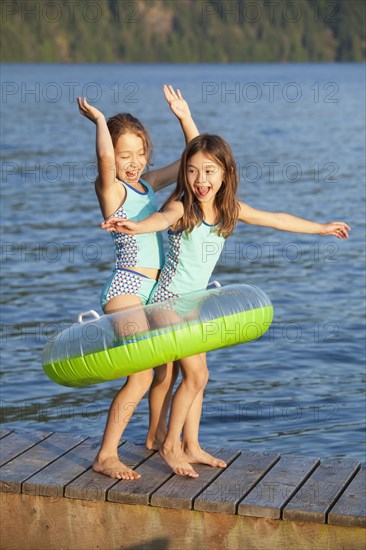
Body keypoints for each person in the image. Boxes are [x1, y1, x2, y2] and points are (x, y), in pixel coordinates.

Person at [102, 133, 350, 477]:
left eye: (209, 172)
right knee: (196, 374)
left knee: (195, 378)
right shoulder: (180, 207)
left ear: (225, 173)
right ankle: (170, 445)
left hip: (192, 306)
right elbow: (156, 222)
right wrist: (135, 226)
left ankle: (191, 445)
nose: (200, 181)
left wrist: (320, 229)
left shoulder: (229, 209)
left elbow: (275, 218)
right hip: (165, 303)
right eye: (191, 172)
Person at [77, 85, 199, 479]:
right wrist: (99, 121)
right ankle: (106, 455)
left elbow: (194, 161)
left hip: (156, 292)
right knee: (142, 374)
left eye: (138, 153)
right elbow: (102, 158)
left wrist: (185, 118)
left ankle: (155, 436)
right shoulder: (111, 191)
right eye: (123, 154)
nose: (131, 162)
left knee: (167, 369)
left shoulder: (147, 185)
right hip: (125, 292)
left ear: (147, 153)